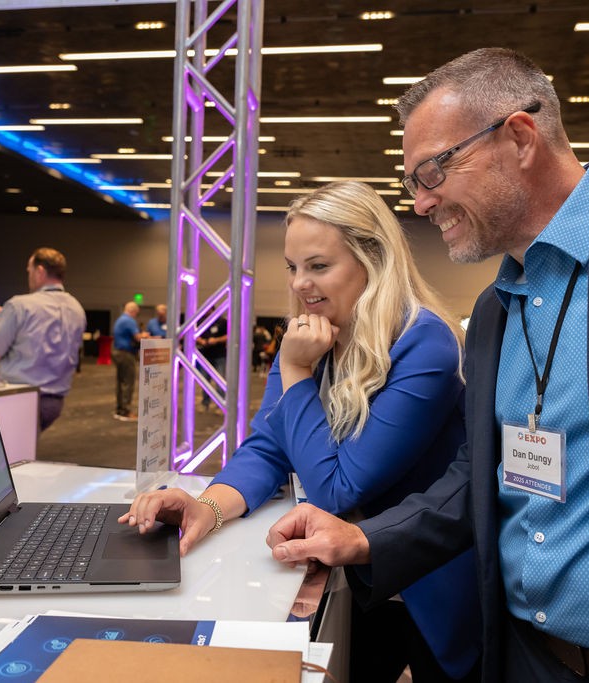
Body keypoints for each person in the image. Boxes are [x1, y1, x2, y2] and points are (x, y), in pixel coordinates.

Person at [265, 48, 589, 683]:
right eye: (411, 184)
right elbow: (483, 475)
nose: (421, 204)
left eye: (433, 172)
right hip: (529, 662)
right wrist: (368, 541)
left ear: (519, 137)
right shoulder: (496, 312)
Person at [121, 181, 481, 682]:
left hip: (424, 583)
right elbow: (269, 447)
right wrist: (209, 505)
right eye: (292, 267)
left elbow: (338, 488)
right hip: (351, 578)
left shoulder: (426, 344)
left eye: (318, 266)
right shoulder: (315, 335)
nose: (298, 284)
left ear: (371, 260)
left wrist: (294, 373)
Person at [0, 247, 86, 432]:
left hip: (20, 398)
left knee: (5, 456)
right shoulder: (76, 308)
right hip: (54, 402)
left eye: (29, 270)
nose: (28, 275)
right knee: (24, 454)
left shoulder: (21, 305)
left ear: (40, 271)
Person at [111, 301, 145, 421]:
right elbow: (137, 337)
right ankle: (126, 411)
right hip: (126, 353)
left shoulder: (120, 319)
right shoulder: (129, 321)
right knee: (128, 382)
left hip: (117, 351)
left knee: (120, 382)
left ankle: (120, 409)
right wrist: (145, 336)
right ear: (133, 311)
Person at [196, 312, 227, 412]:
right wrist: (201, 341)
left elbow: (229, 335)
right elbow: (195, 334)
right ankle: (205, 403)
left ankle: (221, 405)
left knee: (220, 380)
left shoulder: (222, 322)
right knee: (205, 381)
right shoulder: (201, 321)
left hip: (219, 355)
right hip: (205, 355)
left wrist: (216, 340)